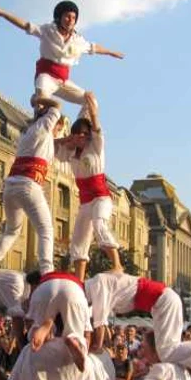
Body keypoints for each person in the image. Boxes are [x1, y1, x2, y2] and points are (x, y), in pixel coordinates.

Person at [0, 2, 123, 114]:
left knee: (91, 100)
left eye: (74, 18)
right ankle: (39, 120)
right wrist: (3, 14)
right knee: (43, 100)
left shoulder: (78, 40)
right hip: (46, 77)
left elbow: (94, 47)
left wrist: (110, 52)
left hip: (64, 81)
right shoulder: (47, 31)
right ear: (59, 17)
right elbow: (25, 25)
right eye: (67, 17)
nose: (70, 21)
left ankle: (81, 133)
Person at [85, 270, 191, 369]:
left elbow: (99, 324)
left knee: (166, 352)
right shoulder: (99, 284)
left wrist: (94, 349)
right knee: (171, 349)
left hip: (162, 302)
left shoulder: (97, 285)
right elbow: (94, 319)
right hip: (162, 302)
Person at [0, 97, 66, 275]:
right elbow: (57, 106)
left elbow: (54, 143)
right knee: (46, 230)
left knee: (12, 230)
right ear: (53, 124)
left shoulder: (27, 133)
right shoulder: (44, 127)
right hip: (28, 185)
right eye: (59, 129)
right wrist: (38, 99)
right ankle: (47, 271)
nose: (59, 133)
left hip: (11, 186)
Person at [55, 103, 120, 281]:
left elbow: (97, 127)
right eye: (75, 137)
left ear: (87, 135)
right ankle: (79, 279)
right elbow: (51, 148)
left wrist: (92, 111)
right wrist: (63, 140)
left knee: (100, 224)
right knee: (78, 239)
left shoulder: (96, 146)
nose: (77, 140)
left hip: (101, 198)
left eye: (81, 136)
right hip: (85, 201)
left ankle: (117, 265)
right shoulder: (70, 152)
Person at [119, 331, 191, 380]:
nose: (143, 352)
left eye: (144, 347)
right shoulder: (176, 366)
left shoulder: (163, 368)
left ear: (155, 350)